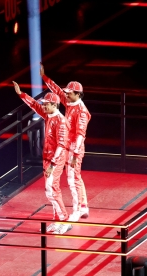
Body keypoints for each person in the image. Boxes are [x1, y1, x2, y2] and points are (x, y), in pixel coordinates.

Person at [12, 81, 72, 234]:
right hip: (47, 158)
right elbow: (34, 105)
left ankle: (64, 219)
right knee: (52, 190)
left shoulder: (61, 122)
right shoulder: (48, 115)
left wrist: (52, 164)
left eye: (47, 104)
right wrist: (21, 94)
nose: (44, 106)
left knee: (51, 189)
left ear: (54, 105)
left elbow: (61, 145)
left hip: (56, 160)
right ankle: (57, 219)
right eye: (44, 104)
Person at [40, 63, 91, 221]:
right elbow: (56, 90)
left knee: (72, 178)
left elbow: (81, 134)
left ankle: (77, 210)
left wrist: (75, 154)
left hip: (75, 148)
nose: (66, 95)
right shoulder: (69, 102)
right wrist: (44, 77)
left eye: (70, 93)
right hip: (67, 146)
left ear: (78, 94)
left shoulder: (82, 112)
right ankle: (83, 206)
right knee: (75, 176)